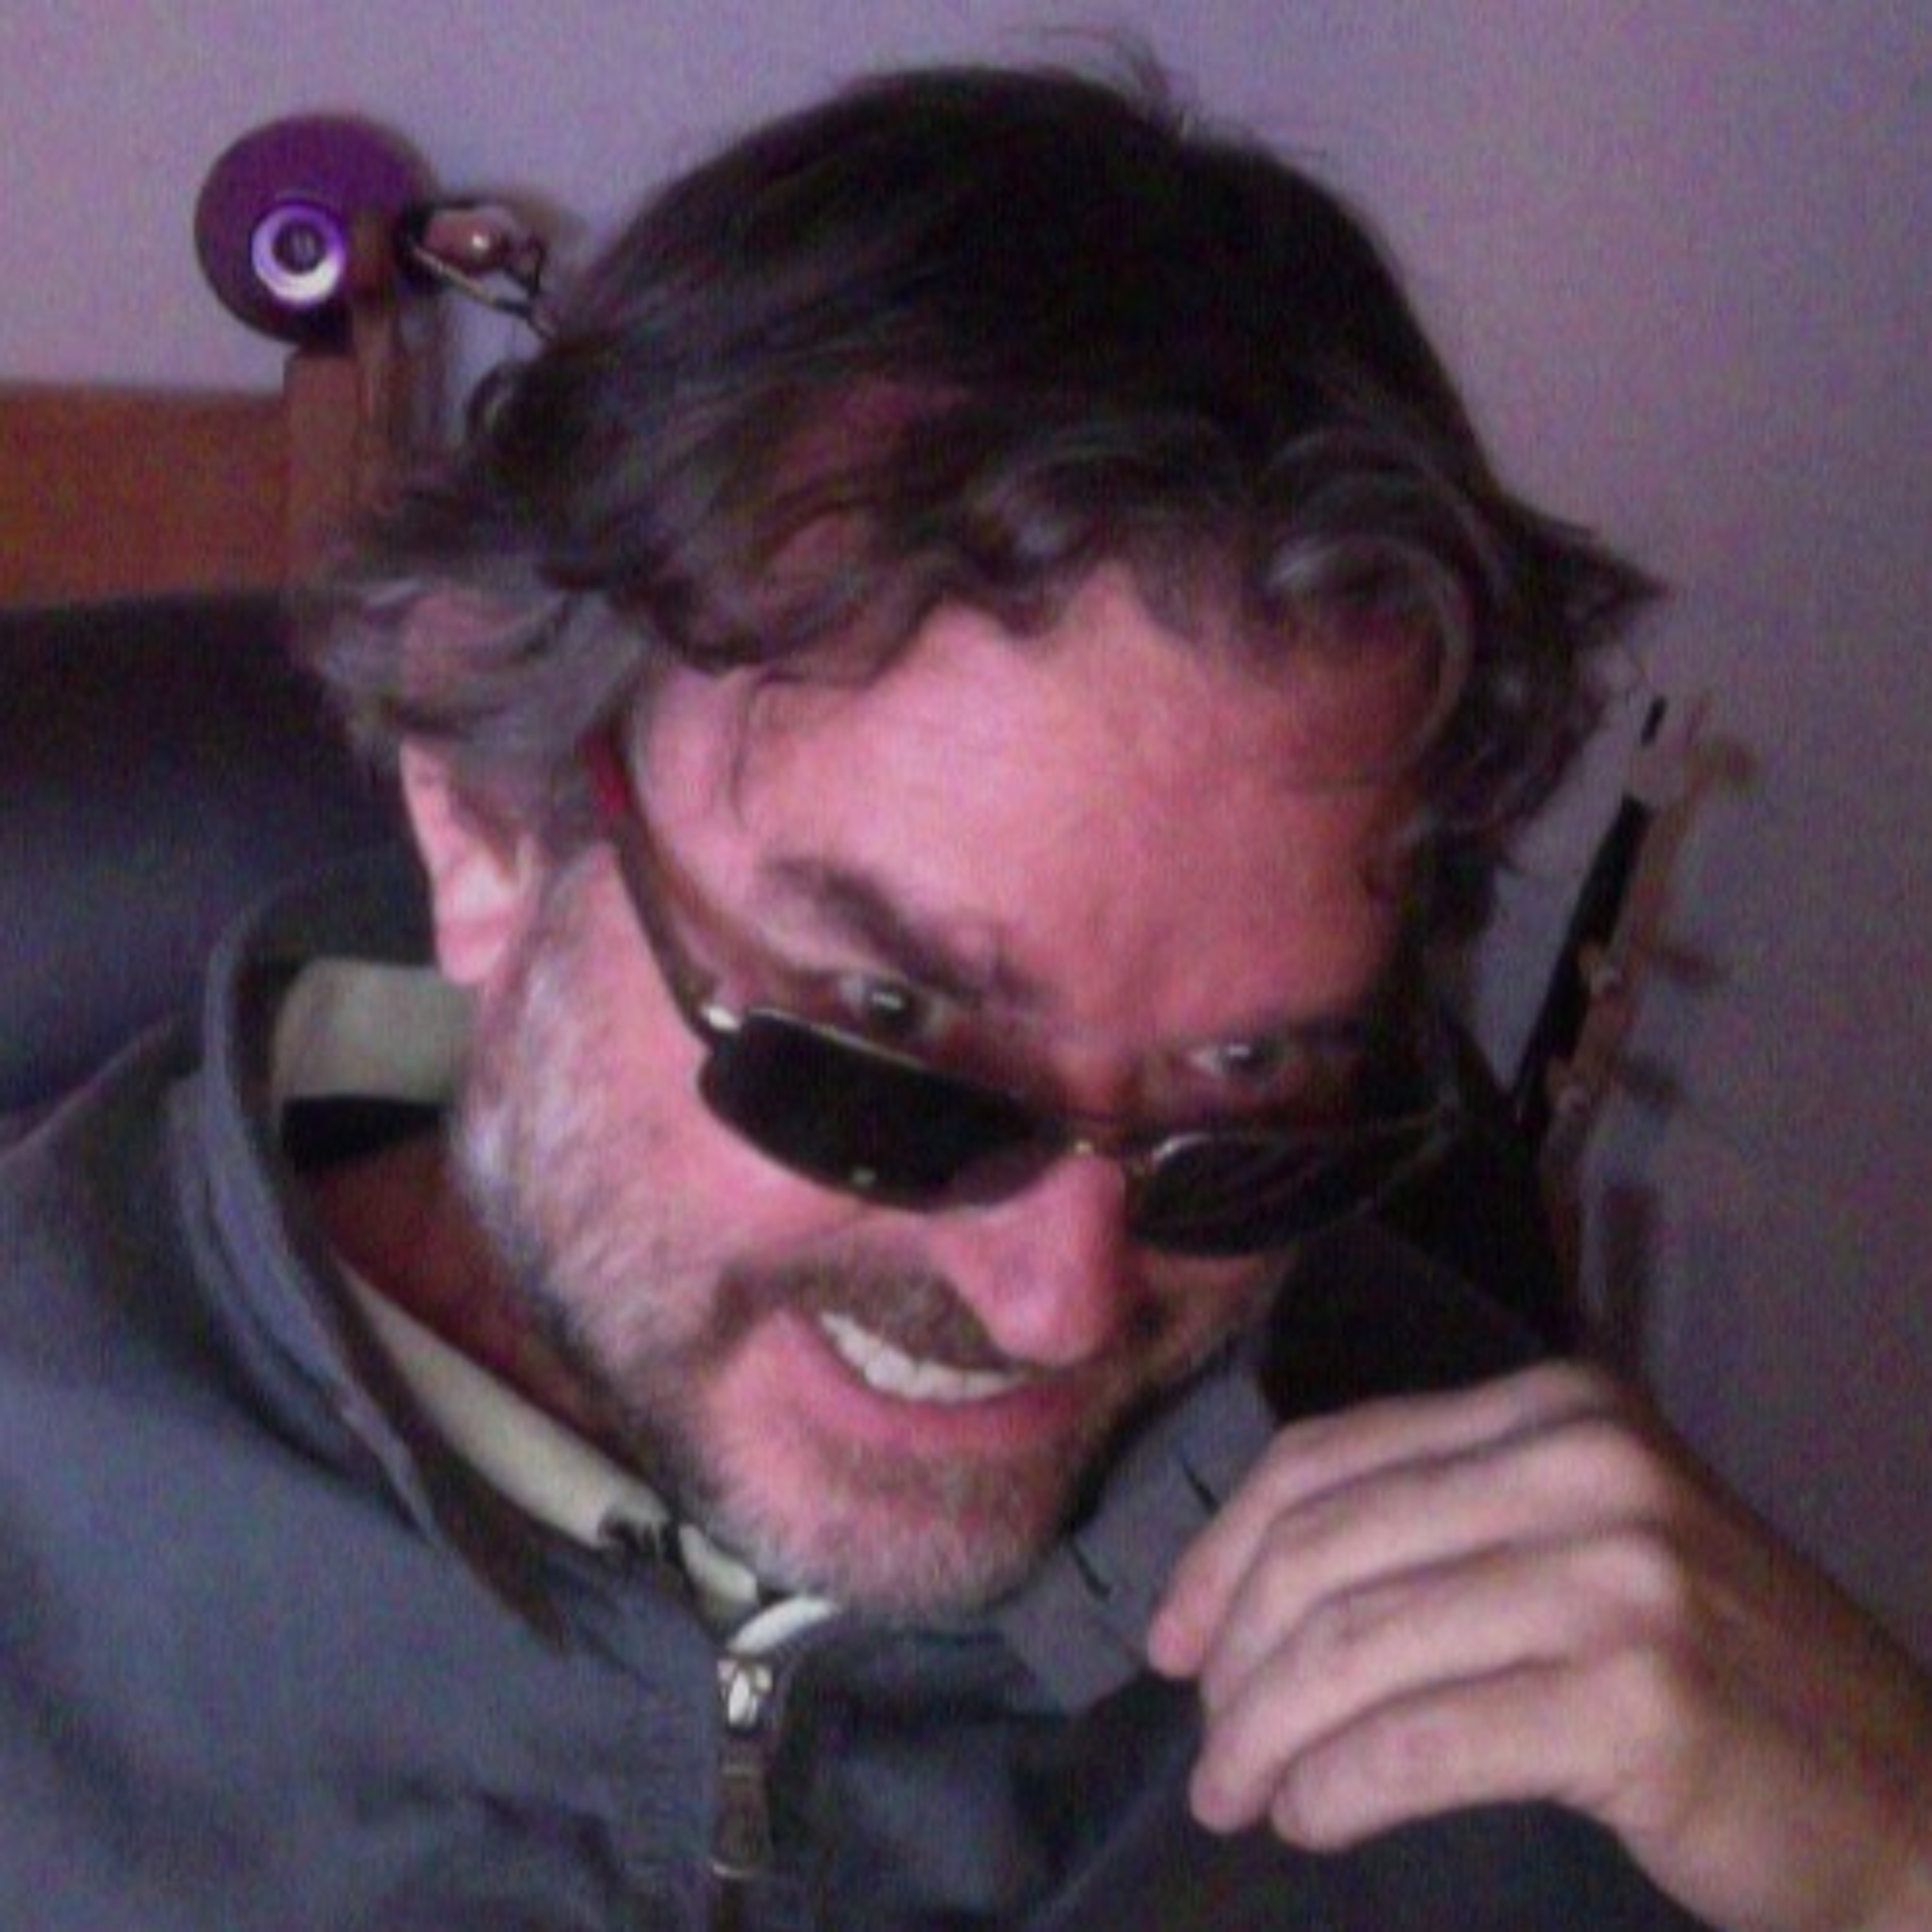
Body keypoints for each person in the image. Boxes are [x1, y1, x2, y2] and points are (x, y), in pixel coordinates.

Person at [2, 58, 1927, 1932]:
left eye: (1246, 1090)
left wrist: (1895, 1855)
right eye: (890, 1043)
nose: (1060, 1302)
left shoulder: (1527, 1577)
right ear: (489, 825)